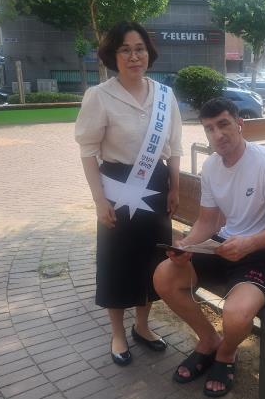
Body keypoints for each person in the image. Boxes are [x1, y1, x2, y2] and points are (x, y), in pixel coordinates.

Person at [153, 98, 265, 397]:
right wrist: (186, 245)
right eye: (209, 128)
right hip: (225, 245)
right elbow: (208, 221)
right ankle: (208, 340)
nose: (217, 134)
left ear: (239, 124)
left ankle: (227, 353)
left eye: (223, 124)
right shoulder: (211, 166)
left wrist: (250, 242)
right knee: (164, 275)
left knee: (236, 314)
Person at [75, 21, 183, 366]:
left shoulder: (164, 95)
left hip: (156, 186)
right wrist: (98, 200)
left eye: (140, 49)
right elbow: (88, 151)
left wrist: (175, 186)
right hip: (117, 188)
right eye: (125, 50)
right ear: (113, 55)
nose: (134, 56)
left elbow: (174, 146)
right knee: (117, 260)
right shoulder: (99, 96)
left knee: (152, 258)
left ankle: (142, 326)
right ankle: (118, 333)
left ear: (148, 53)